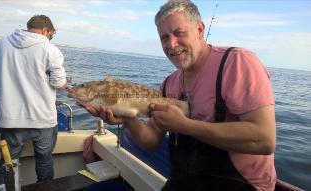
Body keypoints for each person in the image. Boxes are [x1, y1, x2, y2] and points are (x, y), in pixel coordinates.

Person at [84, 0, 276, 190]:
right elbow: (151, 142)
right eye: (164, 37)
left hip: (242, 185)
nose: (172, 44)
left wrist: (185, 126)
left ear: (200, 30)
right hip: (185, 181)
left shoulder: (236, 63)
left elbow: (265, 139)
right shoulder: (170, 83)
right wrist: (127, 117)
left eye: (179, 33)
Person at [0, 15, 67, 184]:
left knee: (8, 163)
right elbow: (60, 84)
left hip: (10, 118)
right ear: (45, 30)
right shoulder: (49, 49)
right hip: (42, 117)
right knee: (44, 160)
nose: (49, 38)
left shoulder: (3, 44)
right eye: (50, 35)